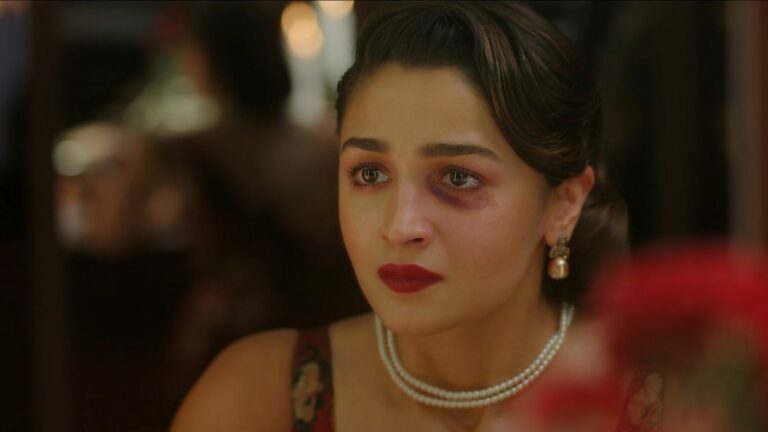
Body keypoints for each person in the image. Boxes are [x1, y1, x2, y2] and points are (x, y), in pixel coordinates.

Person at [171, 2, 635, 431]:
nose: (400, 227)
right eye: (370, 173)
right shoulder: (259, 399)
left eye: (458, 178)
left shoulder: (653, 397)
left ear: (563, 206)